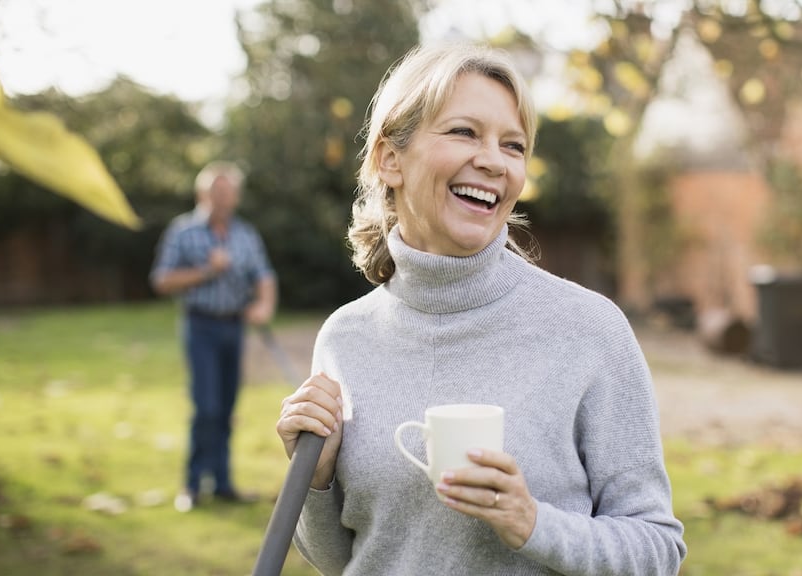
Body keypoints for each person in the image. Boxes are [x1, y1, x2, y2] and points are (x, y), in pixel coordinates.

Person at [275, 43, 686, 575]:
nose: (494, 160)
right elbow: (342, 559)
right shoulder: (345, 337)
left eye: (512, 145)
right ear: (389, 159)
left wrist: (532, 524)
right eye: (465, 132)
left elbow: (657, 551)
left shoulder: (588, 330)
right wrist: (317, 477)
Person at [151, 161, 277, 512]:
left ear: (236, 197)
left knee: (226, 407)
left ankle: (222, 484)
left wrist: (263, 306)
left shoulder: (245, 235)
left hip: (233, 326)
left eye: (229, 192)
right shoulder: (183, 232)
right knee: (205, 407)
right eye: (216, 192)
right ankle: (191, 486)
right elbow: (162, 280)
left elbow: (264, 275)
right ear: (201, 194)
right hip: (200, 325)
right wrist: (208, 271)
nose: (223, 199)